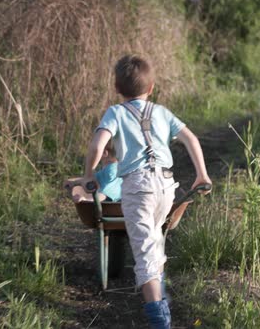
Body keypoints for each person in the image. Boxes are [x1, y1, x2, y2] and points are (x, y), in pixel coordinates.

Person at [82, 54, 212, 328]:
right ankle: (160, 298)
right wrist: (201, 174)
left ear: (117, 89)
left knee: (143, 253)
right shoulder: (162, 112)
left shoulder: (115, 112)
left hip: (138, 187)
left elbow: (97, 145)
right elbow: (191, 138)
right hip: (166, 185)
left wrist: (89, 174)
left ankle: (159, 320)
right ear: (151, 88)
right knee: (153, 241)